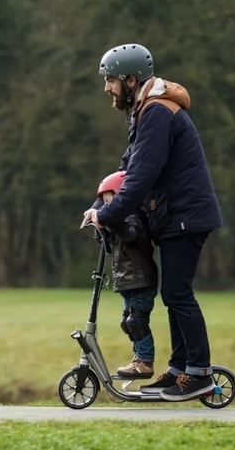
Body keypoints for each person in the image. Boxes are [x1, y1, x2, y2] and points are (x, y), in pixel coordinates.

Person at [81, 43, 223, 401]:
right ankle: (179, 371)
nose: (107, 89)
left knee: (178, 294)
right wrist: (100, 203)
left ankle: (200, 373)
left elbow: (141, 176)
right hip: (175, 217)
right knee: (174, 294)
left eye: (111, 81)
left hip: (185, 217)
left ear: (131, 80)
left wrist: (109, 214)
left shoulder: (157, 112)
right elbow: (126, 168)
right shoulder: (145, 111)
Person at [95, 170, 158, 377]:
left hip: (140, 280)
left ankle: (145, 363)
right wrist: (100, 227)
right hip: (129, 282)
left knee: (136, 322)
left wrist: (110, 220)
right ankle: (138, 358)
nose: (105, 207)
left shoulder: (134, 217)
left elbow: (131, 234)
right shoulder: (121, 221)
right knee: (128, 324)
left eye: (109, 202)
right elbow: (111, 245)